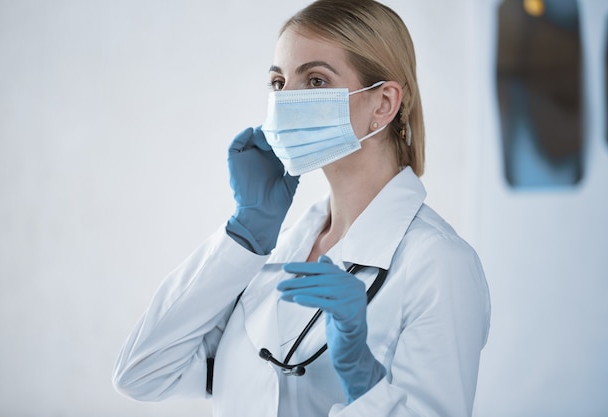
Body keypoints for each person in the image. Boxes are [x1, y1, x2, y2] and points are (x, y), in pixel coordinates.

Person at [112, 0, 491, 416]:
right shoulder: (281, 252)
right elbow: (141, 373)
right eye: (278, 83)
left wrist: (361, 373)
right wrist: (247, 232)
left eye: (314, 81)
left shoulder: (439, 263)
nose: (285, 101)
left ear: (383, 104)